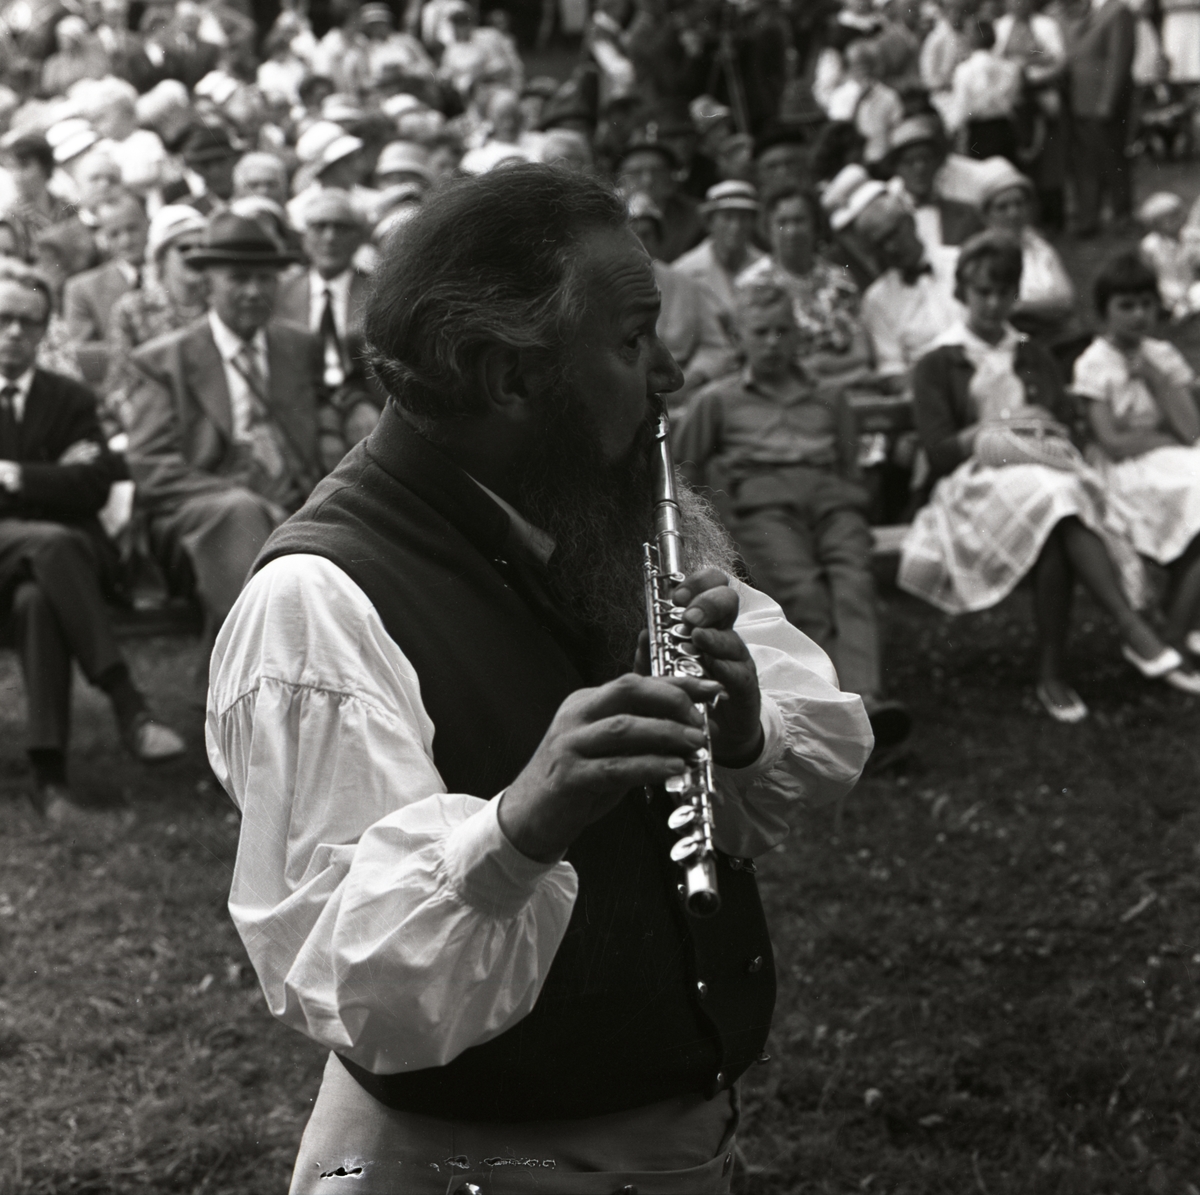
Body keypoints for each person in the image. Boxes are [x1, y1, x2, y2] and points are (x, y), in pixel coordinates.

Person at [206, 166, 872, 1194]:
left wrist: (742, 734)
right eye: (632, 341)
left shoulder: (601, 499)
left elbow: (807, 743)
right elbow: (353, 975)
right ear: (506, 377)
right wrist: (519, 824)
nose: (670, 375)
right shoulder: (317, 600)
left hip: (670, 1148)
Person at [899, 232, 1199, 722]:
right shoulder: (939, 361)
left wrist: (1032, 432)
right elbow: (939, 453)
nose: (994, 304)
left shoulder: (1033, 355)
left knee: (1056, 513)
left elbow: (1059, 430)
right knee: (1057, 498)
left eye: (1004, 292)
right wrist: (999, 429)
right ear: (961, 293)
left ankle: (1054, 674)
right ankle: (1130, 629)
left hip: (1040, 481)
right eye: (983, 293)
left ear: (1017, 294)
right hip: (973, 488)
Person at [675, 281, 910, 752]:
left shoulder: (828, 396)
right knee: (803, 590)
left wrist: (845, 500)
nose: (773, 342)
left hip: (832, 500)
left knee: (853, 583)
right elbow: (684, 468)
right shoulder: (719, 400)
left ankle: (867, 700)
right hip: (765, 504)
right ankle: (834, 702)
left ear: (797, 336)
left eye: (783, 331)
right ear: (739, 338)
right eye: (760, 332)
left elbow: (848, 461)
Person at [0, 260, 183, 820]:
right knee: (54, 542)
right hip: (43, 550)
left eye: (28, 322)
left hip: (40, 572)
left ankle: (50, 782)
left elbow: (96, 480)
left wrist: (14, 476)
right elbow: (74, 487)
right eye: (3, 318)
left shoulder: (68, 399)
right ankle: (128, 702)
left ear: (46, 330)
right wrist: (53, 474)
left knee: (38, 601)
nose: (14, 333)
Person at [124, 214, 328, 648]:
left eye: (265, 278)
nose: (254, 291)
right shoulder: (163, 360)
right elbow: (150, 466)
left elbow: (323, 426)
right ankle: (253, 674)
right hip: (199, 511)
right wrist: (243, 496)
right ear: (207, 284)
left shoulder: (298, 347)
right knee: (241, 515)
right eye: (238, 278)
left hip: (294, 498)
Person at [1074, 252, 1200, 656]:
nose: (1138, 315)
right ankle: (1176, 633)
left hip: (1172, 462)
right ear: (1104, 311)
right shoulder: (1094, 363)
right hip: (1124, 469)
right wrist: (1160, 439)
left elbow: (1191, 428)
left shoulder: (1162, 356)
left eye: (1146, 304)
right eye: (1126, 306)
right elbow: (1111, 440)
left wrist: (1154, 377)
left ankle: (1181, 621)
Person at [274, 189, 382, 449]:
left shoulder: (378, 293)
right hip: (298, 412)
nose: (330, 237)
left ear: (358, 238)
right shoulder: (280, 292)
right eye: (320, 227)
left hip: (365, 414)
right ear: (304, 237)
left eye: (341, 228)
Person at [737, 184, 870, 377]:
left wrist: (825, 366)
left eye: (800, 221)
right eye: (782, 222)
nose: (791, 231)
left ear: (815, 225)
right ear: (767, 229)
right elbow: (754, 359)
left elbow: (862, 354)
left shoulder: (840, 280)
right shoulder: (753, 283)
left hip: (846, 381)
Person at [838, 179, 961, 384]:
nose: (891, 247)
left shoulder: (960, 263)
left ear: (911, 222)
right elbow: (892, 370)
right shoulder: (877, 300)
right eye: (881, 243)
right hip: (928, 388)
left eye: (894, 234)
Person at [103, 205, 209, 431]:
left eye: (203, 247)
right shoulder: (132, 309)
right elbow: (120, 389)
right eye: (185, 248)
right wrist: (150, 429)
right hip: (155, 425)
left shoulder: (218, 306)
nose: (196, 255)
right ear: (162, 257)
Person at [628, 192, 735, 409]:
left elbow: (716, 347)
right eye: (631, 236)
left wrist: (691, 380)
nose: (639, 244)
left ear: (659, 240)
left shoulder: (684, 284)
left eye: (647, 235)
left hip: (683, 392)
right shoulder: (601, 289)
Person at [976, 157, 1075, 339]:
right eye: (1002, 207)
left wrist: (1019, 307)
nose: (1013, 213)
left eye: (1019, 204)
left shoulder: (1041, 248)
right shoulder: (979, 255)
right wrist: (1039, 308)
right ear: (986, 215)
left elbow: (1066, 301)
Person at [1066, 0, 1136, 237]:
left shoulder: (1118, 11)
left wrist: (1108, 102)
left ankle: (1121, 215)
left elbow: (1119, 59)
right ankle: (1090, 217)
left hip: (1102, 101)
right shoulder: (1086, 10)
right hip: (1081, 101)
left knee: (1112, 159)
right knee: (1087, 163)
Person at [883, 114, 983, 255]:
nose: (920, 169)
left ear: (938, 162)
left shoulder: (964, 211)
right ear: (896, 168)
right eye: (909, 162)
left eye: (925, 159)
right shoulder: (890, 214)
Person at [672, 181, 765, 328]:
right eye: (728, 218)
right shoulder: (683, 271)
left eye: (744, 218)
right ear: (709, 223)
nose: (736, 226)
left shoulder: (766, 267)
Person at [62, 190, 148, 346]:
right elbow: (88, 355)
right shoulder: (83, 290)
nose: (126, 240)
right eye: (114, 234)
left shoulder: (172, 271)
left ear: (147, 222)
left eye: (132, 228)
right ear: (103, 238)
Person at [617, 132, 704, 264]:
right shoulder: (611, 217)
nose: (648, 181)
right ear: (621, 180)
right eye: (636, 173)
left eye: (657, 171)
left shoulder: (695, 217)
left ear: (670, 177)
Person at [1136, 192, 1200, 321]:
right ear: (1156, 224)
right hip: (1166, 288)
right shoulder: (1150, 245)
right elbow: (1148, 273)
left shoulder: (1192, 237)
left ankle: (1185, 308)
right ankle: (1176, 309)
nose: (1177, 220)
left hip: (1190, 284)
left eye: (1178, 214)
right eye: (1169, 219)